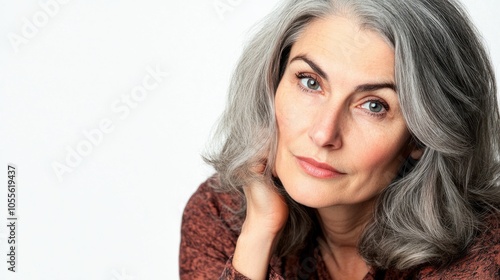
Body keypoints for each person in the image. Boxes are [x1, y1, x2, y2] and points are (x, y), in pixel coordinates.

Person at [180, 0, 500, 279]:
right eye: (309, 82)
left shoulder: (485, 251)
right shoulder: (222, 216)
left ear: (421, 137)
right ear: (273, 84)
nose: (323, 134)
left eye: (374, 105)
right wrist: (258, 232)